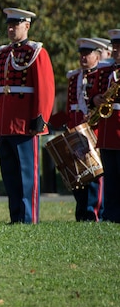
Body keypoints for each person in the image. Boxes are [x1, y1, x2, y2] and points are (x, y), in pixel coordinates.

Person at [0, 8, 55, 224]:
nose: (10, 29)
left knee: (27, 174)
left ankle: (28, 217)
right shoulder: (4, 53)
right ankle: (16, 215)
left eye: (15, 25)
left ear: (26, 26)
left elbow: (45, 88)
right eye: (9, 25)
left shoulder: (37, 52)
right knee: (9, 173)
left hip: (25, 122)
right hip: (6, 122)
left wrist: (40, 118)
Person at [64, 38, 105, 221]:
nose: (83, 58)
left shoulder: (100, 75)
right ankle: (81, 211)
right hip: (75, 128)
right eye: (81, 54)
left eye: (87, 54)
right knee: (78, 173)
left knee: (94, 174)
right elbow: (69, 105)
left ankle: (94, 212)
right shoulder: (74, 77)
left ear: (97, 56)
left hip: (92, 130)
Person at [94, 29, 120, 222]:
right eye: (115, 48)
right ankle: (110, 214)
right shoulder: (104, 71)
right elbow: (93, 94)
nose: (116, 52)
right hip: (107, 130)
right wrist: (97, 98)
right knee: (110, 176)